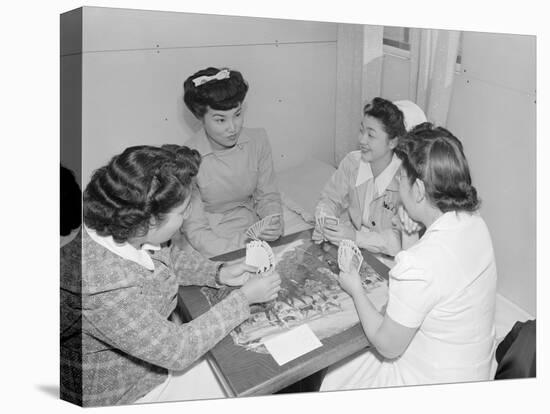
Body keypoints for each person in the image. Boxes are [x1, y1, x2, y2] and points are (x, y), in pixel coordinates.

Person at [60, 145, 281, 406]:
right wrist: (244, 298)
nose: (188, 215)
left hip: (153, 354)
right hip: (126, 392)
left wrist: (218, 272)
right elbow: (179, 349)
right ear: (150, 222)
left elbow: (168, 256)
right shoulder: (100, 287)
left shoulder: (127, 224)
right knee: (250, 372)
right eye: (182, 211)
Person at [321, 123, 497, 390]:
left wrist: (355, 288)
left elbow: (387, 345)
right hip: (474, 371)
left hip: (431, 385)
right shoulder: (475, 223)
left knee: (334, 373)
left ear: (418, 191)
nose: (397, 183)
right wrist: (409, 235)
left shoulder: (420, 264)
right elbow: (422, 287)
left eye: (400, 177)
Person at [175, 67, 283, 257]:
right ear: (200, 118)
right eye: (220, 120)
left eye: (238, 114)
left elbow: (267, 195)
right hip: (208, 238)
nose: (232, 128)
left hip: (250, 223)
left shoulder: (258, 140)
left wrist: (273, 221)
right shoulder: (186, 159)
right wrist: (243, 243)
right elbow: (195, 228)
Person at [313, 97, 426, 256]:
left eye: (371, 135)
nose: (362, 140)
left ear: (393, 142)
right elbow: (329, 199)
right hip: (352, 249)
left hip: (389, 259)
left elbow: (399, 240)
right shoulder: (352, 163)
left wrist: (355, 237)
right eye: (361, 130)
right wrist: (325, 219)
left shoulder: (406, 182)